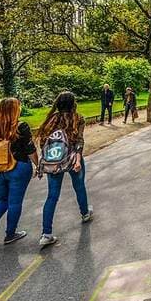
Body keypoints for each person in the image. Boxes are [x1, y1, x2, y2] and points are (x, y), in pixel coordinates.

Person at [36, 92, 92, 247]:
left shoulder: (51, 119)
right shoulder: (78, 118)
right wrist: (78, 157)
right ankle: (85, 213)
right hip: (73, 157)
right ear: (73, 103)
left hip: (54, 161)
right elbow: (79, 140)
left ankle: (46, 233)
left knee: (52, 196)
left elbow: (43, 142)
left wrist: (47, 159)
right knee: (79, 187)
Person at [0, 98, 38, 246]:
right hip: (18, 166)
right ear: (15, 109)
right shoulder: (20, 126)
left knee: (3, 199)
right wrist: (38, 165)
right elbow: (30, 149)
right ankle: (10, 234)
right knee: (14, 202)